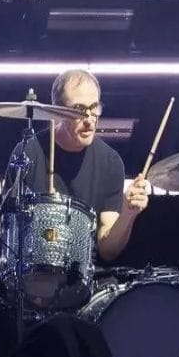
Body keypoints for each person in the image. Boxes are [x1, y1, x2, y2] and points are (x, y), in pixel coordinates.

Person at [10, 69, 148, 261]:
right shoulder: (27, 154)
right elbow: (9, 231)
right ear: (57, 111)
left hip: (86, 280)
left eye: (94, 108)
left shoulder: (111, 163)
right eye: (79, 110)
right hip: (32, 274)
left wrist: (128, 213)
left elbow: (107, 251)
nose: (90, 120)